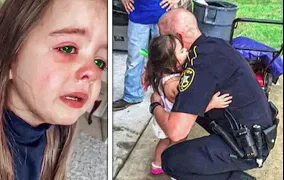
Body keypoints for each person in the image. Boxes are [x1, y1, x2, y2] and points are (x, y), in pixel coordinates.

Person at [0, 0, 107, 179]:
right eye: (67, 48)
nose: (92, 72)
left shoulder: (53, 138)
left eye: (100, 62)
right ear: (9, 55)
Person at [146, 9, 276, 180]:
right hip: (258, 129)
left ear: (178, 38)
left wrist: (154, 105)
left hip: (249, 145)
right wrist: (152, 68)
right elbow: (169, 65)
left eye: (165, 39)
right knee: (189, 108)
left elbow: (175, 131)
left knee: (172, 160)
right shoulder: (212, 45)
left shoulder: (197, 67)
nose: (164, 45)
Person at [146, 34, 232, 175]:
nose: (187, 51)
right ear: (172, 62)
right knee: (176, 143)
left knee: (164, 141)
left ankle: (156, 164)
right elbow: (189, 106)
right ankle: (171, 165)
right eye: (182, 51)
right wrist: (212, 103)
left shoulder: (161, 73)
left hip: (164, 116)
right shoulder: (174, 85)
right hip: (170, 119)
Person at [113, 0, 181, 111]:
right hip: (138, 17)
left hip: (164, 17)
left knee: (167, 57)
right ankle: (132, 95)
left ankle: (167, 95)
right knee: (135, 59)